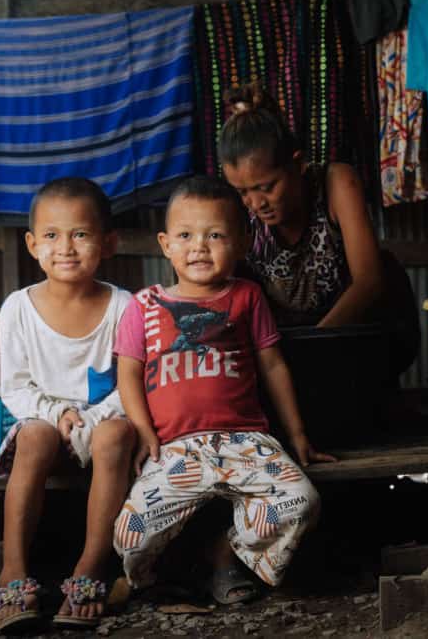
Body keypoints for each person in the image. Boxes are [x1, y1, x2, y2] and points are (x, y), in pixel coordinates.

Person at [112, 176, 335, 605]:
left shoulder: (247, 297)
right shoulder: (143, 305)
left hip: (246, 440)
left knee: (301, 501)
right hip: (174, 448)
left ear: (243, 241)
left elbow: (273, 365)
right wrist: (144, 432)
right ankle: (159, 576)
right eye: (185, 235)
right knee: (131, 536)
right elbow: (128, 375)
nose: (199, 246)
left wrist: (299, 437)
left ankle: (226, 553)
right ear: (165, 244)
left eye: (215, 235)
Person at [0, 177, 136, 633]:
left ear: (108, 242)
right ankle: (12, 568)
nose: (66, 247)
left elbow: (135, 384)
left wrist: (92, 418)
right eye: (52, 236)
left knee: (116, 433)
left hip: (106, 423)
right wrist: (57, 414)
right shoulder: (17, 309)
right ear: (32, 244)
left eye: (80, 234)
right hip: (45, 427)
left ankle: (92, 565)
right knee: (34, 434)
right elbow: (14, 388)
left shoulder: (125, 307)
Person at [218, 82, 419, 377]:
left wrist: (310, 348)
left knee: (387, 270)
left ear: (297, 164)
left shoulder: (336, 183)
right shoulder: (240, 209)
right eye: (243, 191)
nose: (256, 203)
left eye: (267, 187)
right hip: (283, 337)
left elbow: (370, 282)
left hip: (350, 330)